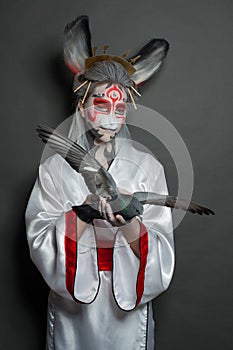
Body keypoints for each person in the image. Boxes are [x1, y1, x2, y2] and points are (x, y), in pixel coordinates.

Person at [25, 16, 175, 350]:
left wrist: (130, 223)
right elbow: (39, 238)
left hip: (127, 299)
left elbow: (162, 246)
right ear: (81, 105)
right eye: (100, 104)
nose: (110, 116)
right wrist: (82, 214)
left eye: (119, 107)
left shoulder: (148, 167)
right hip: (73, 301)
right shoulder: (53, 169)